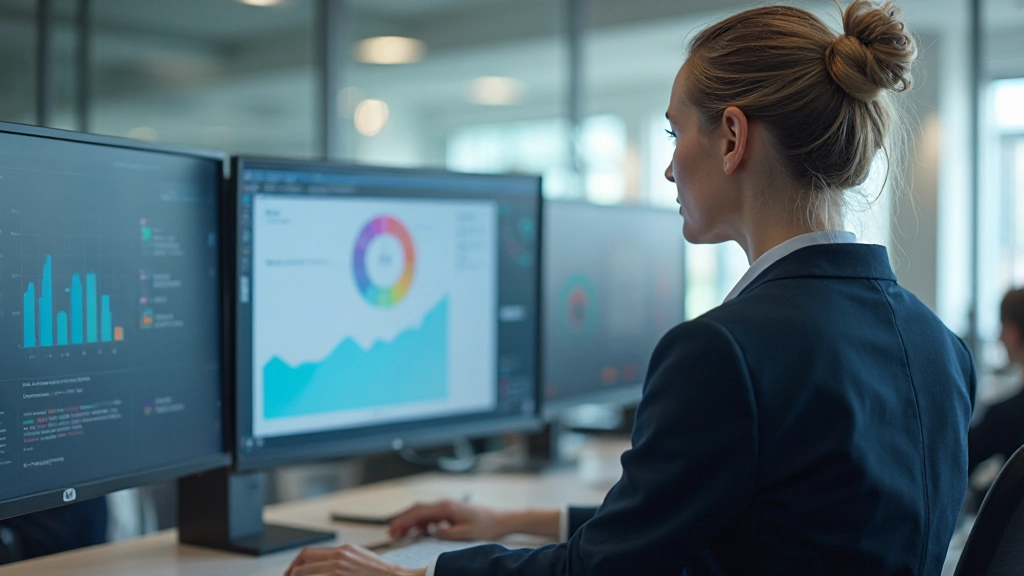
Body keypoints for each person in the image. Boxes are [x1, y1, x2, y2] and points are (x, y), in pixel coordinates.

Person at [285, 2, 975, 575]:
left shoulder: (725, 352)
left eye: (676, 132)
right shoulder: (937, 344)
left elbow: (604, 571)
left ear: (732, 136)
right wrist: (523, 518)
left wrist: (411, 575)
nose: (671, 167)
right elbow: (739, 519)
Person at [968, 288, 1024, 476]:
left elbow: (959, 458)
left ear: (1012, 331)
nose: (1000, 337)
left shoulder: (1006, 416)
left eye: (1002, 327)